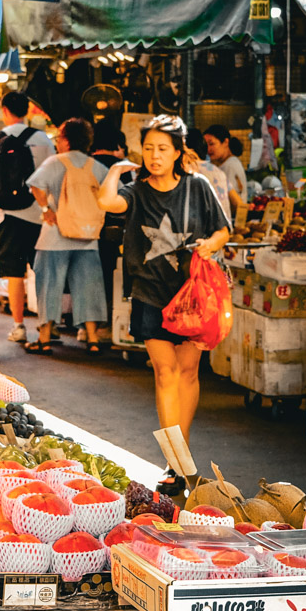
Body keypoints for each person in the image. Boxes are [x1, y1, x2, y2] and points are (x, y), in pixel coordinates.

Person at [98, 114, 230, 489]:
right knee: (164, 371)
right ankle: (177, 460)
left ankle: (179, 456)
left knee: (188, 372)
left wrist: (211, 244)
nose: (154, 156)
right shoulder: (136, 190)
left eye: (162, 149)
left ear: (177, 152)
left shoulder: (198, 187)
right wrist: (116, 171)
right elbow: (107, 201)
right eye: (148, 148)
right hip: (149, 292)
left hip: (191, 295)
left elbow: (223, 229)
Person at [25, 118, 109, 355]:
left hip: (54, 236)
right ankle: (92, 339)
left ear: (65, 139)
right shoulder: (96, 166)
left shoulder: (54, 162)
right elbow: (110, 193)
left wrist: (46, 209)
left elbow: (35, 186)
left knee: (49, 286)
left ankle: (44, 338)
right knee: (89, 287)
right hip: (88, 237)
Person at [0, 91, 55, 342]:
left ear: (4, 110)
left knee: (14, 274)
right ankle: (47, 324)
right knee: (42, 272)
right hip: (41, 215)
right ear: (28, 110)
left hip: (9, 215)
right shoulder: (44, 139)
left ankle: (19, 326)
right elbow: (52, 177)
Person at [91, 122, 129, 320]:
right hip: (112, 231)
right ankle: (109, 320)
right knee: (109, 275)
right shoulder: (123, 168)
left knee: (88, 277)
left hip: (85, 229)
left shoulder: (85, 162)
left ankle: (86, 325)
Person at [187, 130, 232, 227]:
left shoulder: (188, 172)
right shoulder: (219, 172)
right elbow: (236, 201)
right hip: (225, 231)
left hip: (207, 235)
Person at [203, 124, 246, 212]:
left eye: (211, 144)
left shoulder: (229, 165)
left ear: (226, 142)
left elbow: (230, 199)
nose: (208, 149)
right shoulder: (231, 162)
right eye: (206, 145)